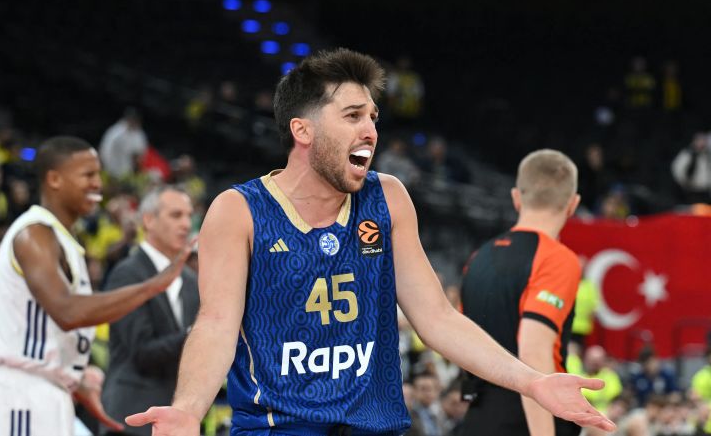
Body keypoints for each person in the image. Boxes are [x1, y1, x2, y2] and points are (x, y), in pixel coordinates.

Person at [126, 48, 615, 435]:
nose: (371, 131)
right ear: (302, 130)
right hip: (280, 427)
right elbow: (215, 324)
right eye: (353, 116)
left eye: (374, 117)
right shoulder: (239, 210)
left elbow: (438, 318)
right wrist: (188, 409)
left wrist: (533, 382)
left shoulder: (388, 197)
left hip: (375, 426)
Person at [0, 136, 193, 436]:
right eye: (88, 175)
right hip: (21, 394)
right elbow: (67, 312)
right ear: (54, 179)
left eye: (98, 174)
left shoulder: (65, 240)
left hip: (50, 392)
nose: (97, 183)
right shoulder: (34, 233)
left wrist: (75, 380)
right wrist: (154, 285)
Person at [459, 149, 584, 436]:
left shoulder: (478, 257)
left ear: (516, 197)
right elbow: (533, 353)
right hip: (529, 418)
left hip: (478, 415)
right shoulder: (556, 258)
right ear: (573, 204)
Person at [100, 186, 199, 436]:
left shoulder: (191, 280)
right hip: (130, 417)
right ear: (148, 220)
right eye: (176, 215)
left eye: (189, 216)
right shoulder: (127, 274)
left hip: (175, 420)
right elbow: (142, 352)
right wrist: (196, 333)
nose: (186, 224)